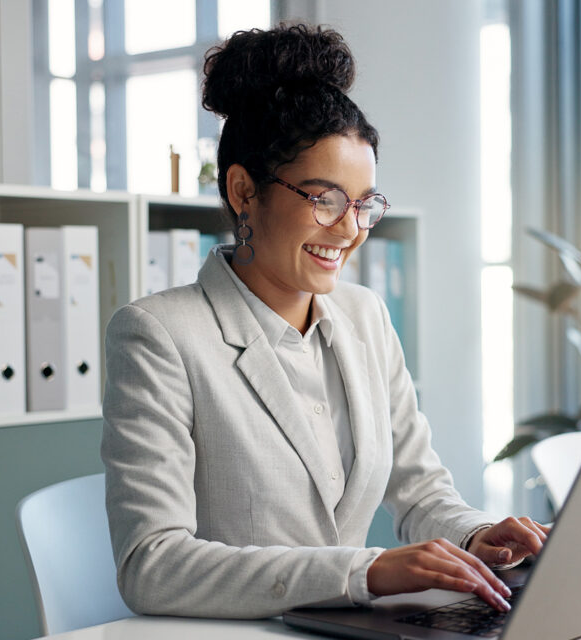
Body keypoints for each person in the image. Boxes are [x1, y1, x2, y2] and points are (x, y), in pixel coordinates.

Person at [101, 23, 549, 619]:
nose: (350, 229)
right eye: (324, 199)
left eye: (364, 203)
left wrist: (477, 534)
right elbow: (151, 565)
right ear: (242, 191)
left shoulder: (364, 316)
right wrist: (363, 570)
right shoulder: (159, 335)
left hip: (347, 631)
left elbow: (420, 489)